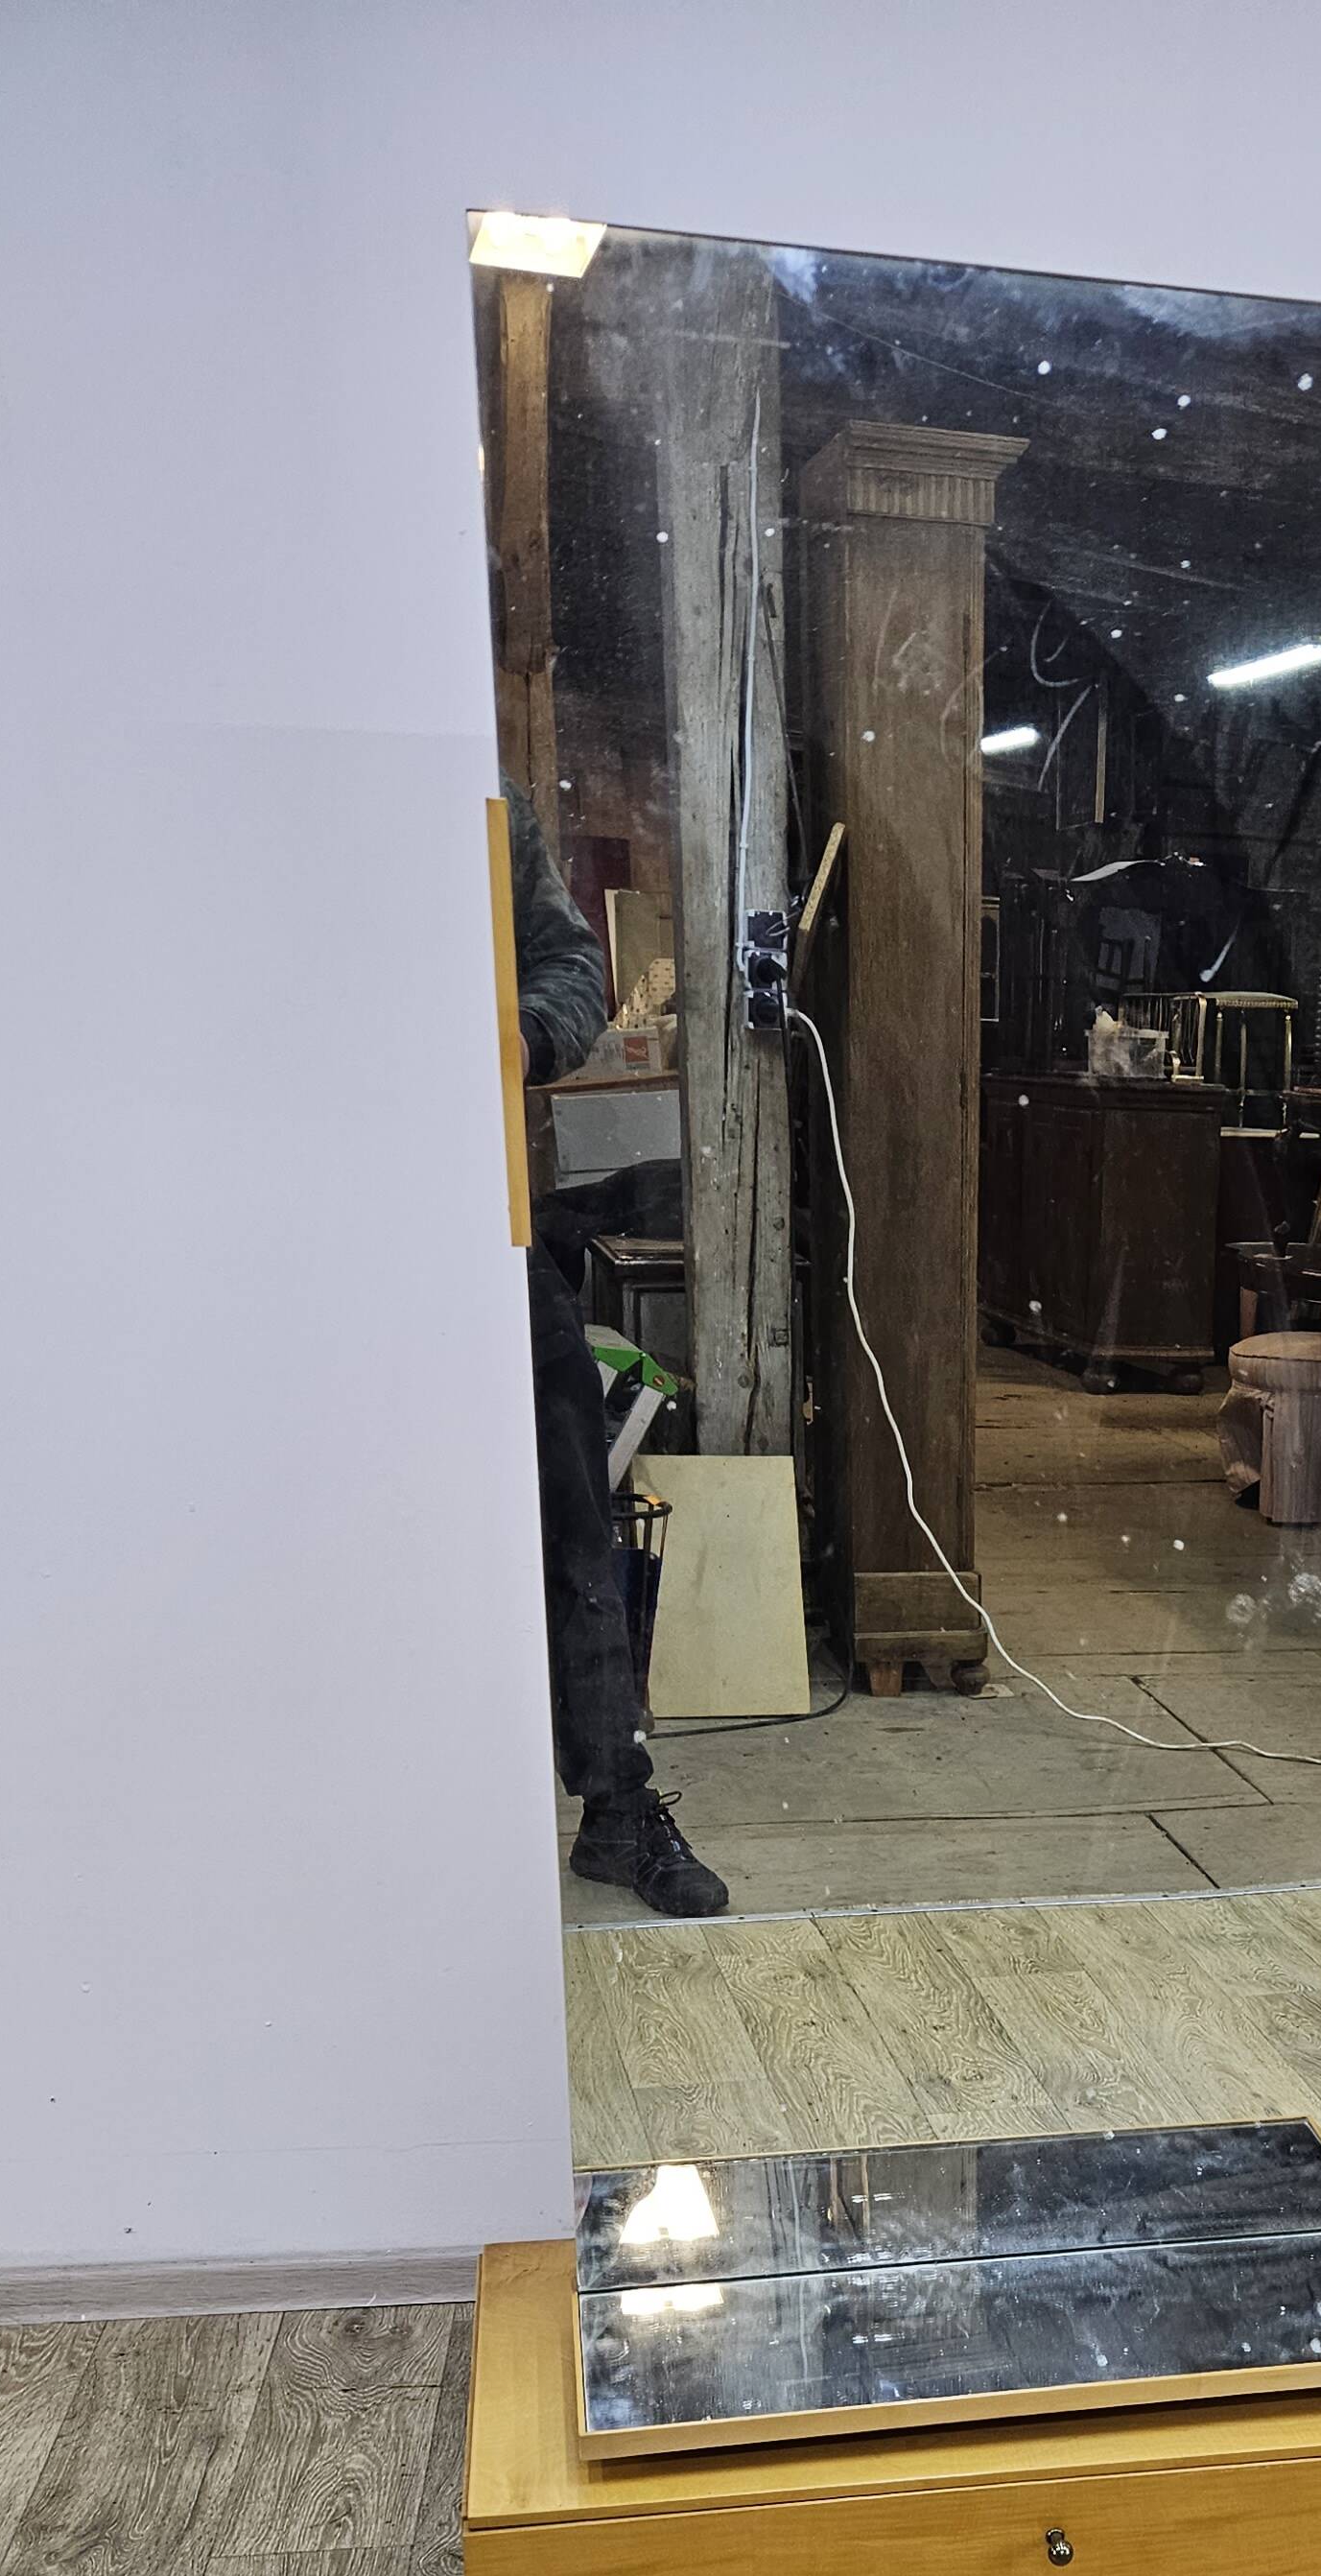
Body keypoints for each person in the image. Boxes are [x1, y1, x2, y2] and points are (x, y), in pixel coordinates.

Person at [506, 782, 731, 1918]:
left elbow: (575, 973)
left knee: (571, 1503)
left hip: (469, 1218)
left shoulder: (482, 812)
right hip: (281, 1251)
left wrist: (515, 1035)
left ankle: (614, 1803)